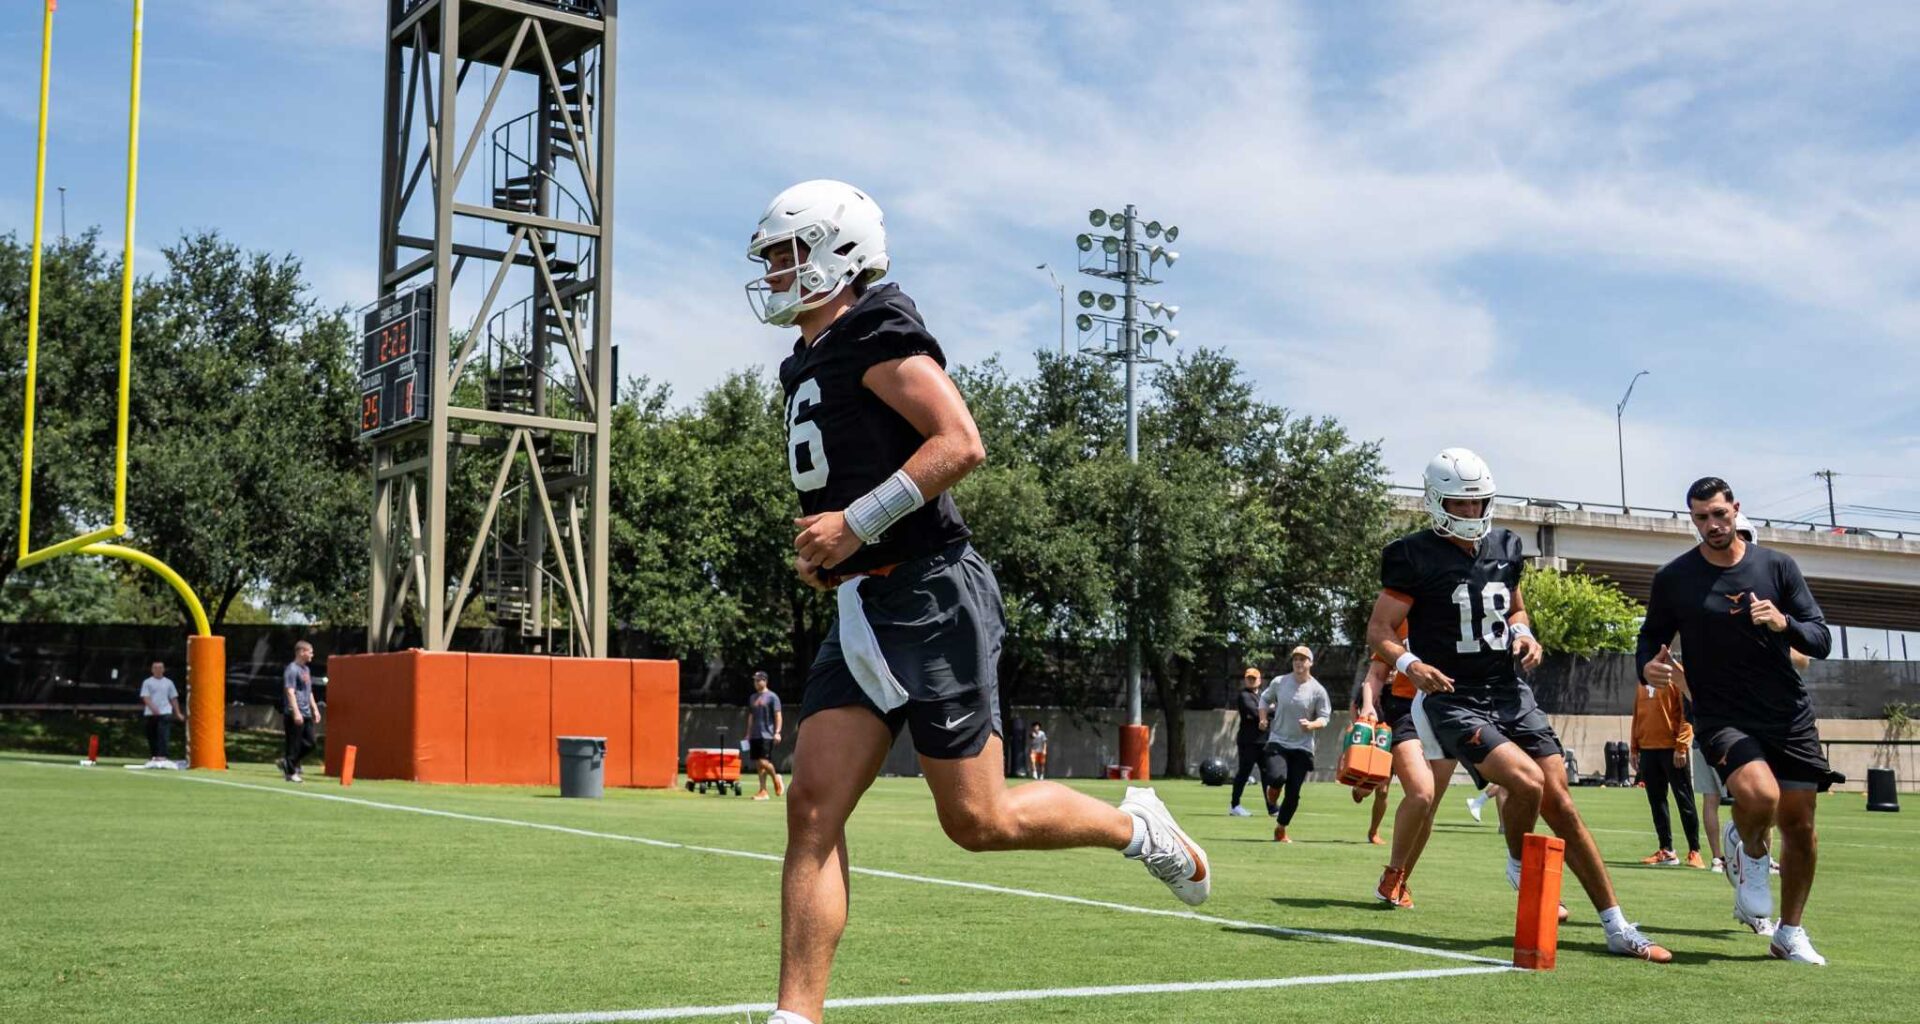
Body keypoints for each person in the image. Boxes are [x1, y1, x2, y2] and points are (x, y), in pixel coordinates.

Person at [747, 180, 1209, 1024]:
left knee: (979, 820)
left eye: (786, 253)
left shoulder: (876, 329)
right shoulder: (807, 360)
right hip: (862, 606)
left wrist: (855, 524)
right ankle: (795, 1016)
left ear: (836, 251)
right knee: (812, 807)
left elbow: (960, 442)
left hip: (927, 593)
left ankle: (1137, 829)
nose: (774, 271)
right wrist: (832, 552)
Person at [1368, 447, 1671, 962]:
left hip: (1509, 691)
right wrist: (1409, 665)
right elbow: (1378, 630)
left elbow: (1516, 606)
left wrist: (1525, 633)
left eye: (1478, 502)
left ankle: (1617, 926)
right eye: (1460, 504)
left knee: (1562, 805)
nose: (1471, 513)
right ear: (1437, 503)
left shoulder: (1506, 544)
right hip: (1453, 696)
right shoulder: (1411, 554)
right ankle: (1517, 859)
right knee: (1526, 782)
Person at [1638, 477, 1837, 964]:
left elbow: (1820, 638)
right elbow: (1650, 640)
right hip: (1721, 714)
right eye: (1701, 517)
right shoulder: (1674, 578)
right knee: (1759, 796)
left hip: (1787, 714)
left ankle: (1789, 932)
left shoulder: (1778, 568)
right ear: (1692, 520)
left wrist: (1783, 622)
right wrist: (1648, 666)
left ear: (1736, 511)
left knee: (1800, 825)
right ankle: (1749, 851)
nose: (1712, 525)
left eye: (1719, 515)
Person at [1357, 623, 1458, 909]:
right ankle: (1393, 873)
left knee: (1429, 807)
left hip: (1451, 714)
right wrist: (1368, 705)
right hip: (1405, 712)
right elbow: (1376, 673)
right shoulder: (1402, 617)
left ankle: (1398, 881)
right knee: (1421, 793)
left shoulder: (1463, 617)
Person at [1630, 672, 1703, 867]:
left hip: (1672, 749)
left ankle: (1695, 851)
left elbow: (1687, 715)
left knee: (1684, 799)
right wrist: (1634, 748)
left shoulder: (1676, 676)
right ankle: (1666, 850)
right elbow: (1637, 714)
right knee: (1657, 801)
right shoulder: (1642, 679)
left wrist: (1681, 746)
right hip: (1648, 749)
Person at [1260, 646, 1331, 843]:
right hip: (1278, 740)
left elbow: (1325, 717)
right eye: (1295, 659)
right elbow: (1264, 700)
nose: (1299, 662)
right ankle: (1272, 789)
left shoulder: (1317, 690)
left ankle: (1281, 828)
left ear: (1310, 663)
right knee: (1277, 776)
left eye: (1303, 659)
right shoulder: (1280, 682)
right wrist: (1263, 718)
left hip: (1302, 746)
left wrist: (1312, 724)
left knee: (1293, 794)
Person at [1348, 674, 1390, 845]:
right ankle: (1358, 790)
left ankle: (1373, 831)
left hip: (1390, 737)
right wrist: (1357, 724)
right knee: (1366, 790)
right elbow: (1354, 706)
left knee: (1383, 791)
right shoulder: (1370, 686)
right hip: (1370, 735)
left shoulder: (1401, 689)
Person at [1229, 667, 1271, 816]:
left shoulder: (1264, 696)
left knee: (1268, 774)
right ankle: (1234, 805)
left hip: (1264, 741)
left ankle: (1272, 807)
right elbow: (1253, 712)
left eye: (1254, 678)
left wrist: (1267, 712)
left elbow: (1275, 710)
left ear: (1260, 680)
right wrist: (1268, 711)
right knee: (1244, 773)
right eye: (1249, 678)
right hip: (1248, 742)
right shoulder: (1244, 696)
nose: (1251, 680)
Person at [278, 641, 320, 783]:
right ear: (302, 652)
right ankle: (290, 773)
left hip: (306, 712)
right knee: (294, 745)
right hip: (294, 713)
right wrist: (296, 712)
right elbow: (290, 692)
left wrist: (315, 709)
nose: (312, 655)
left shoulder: (306, 670)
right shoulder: (292, 669)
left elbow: (309, 692)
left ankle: (287, 762)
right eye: (310, 652)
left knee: (311, 743)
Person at [747, 671, 785, 800]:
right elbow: (751, 716)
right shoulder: (752, 697)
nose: (756, 683)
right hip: (755, 734)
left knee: (764, 761)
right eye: (755, 680)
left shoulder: (772, 697)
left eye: (759, 680)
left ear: (765, 681)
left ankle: (776, 778)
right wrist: (748, 734)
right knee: (758, 764)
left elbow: (778, 715)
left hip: (767, 734)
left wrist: (777, 732)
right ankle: (763, 791)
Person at [138, 661, 184, 767]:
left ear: (163, 669)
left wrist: (178, 713)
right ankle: (154, 755)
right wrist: (153, 708)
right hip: (150, 713)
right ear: (152, 669)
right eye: (155, 668)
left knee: (163, 734)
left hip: (165, 712)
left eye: (160, 668)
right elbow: (145, 696)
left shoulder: (168, 682)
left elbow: (173, 698)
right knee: (152, 735)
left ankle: (162, 755)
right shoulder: (147, 682)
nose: (158, 670)